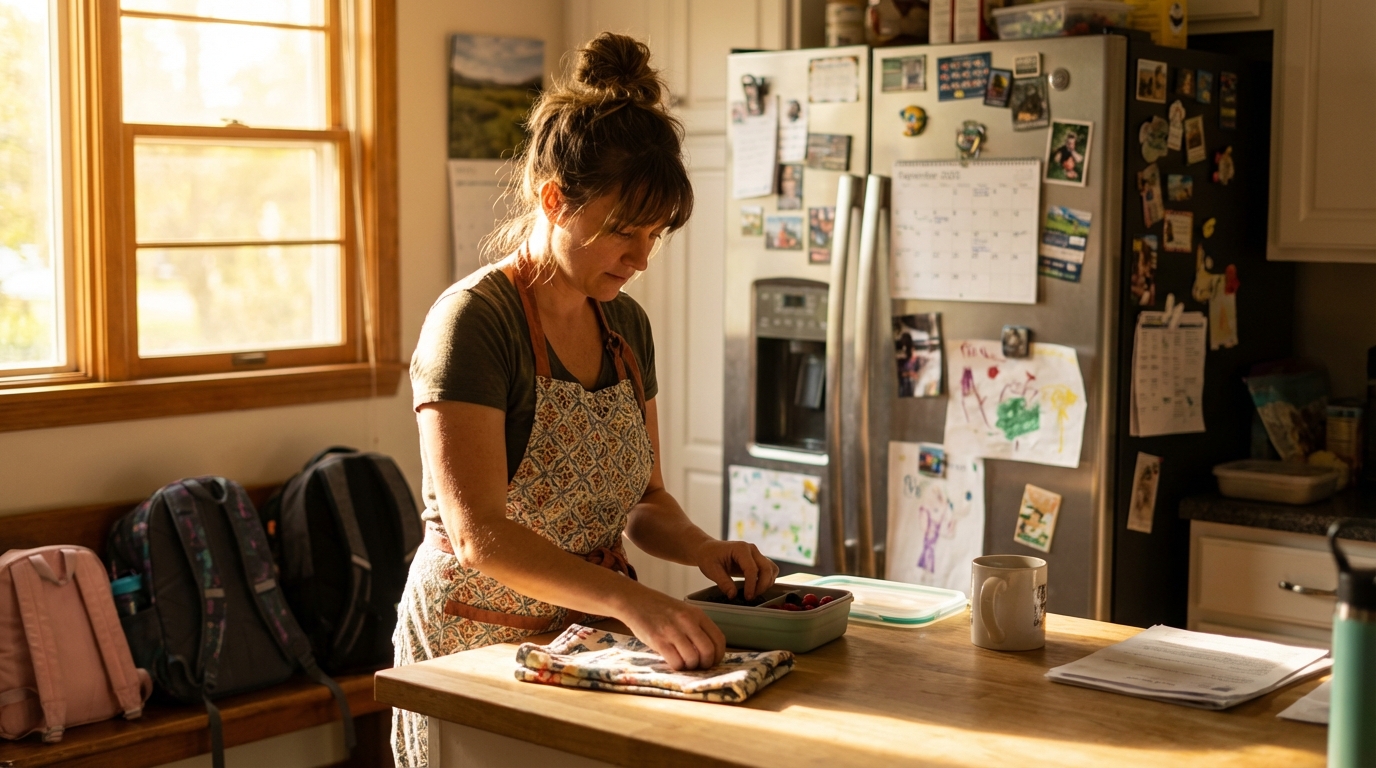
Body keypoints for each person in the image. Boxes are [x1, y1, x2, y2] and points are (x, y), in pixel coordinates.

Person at [395, 32, 779, 767]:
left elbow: (646, 499)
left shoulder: (625, 326)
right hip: (474, 648)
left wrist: (701, 549)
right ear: (554, 200)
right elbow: (482, 536)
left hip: (592, 647)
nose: (640, 258)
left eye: (656, 235)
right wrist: (632, 600)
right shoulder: (474, 323)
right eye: (622, 233)